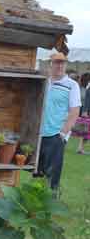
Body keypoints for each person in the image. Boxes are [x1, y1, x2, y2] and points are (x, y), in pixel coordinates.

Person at [37, 52, 81, 193]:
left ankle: (50, 203)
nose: (60, 65)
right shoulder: (44, 81)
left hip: (55, 134)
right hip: (38, 133)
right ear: (51, 64)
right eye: (57, 62)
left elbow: (75, 111)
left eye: (62, 63)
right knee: (36, 172)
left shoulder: (71, 85)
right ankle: (34, 203)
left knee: (52, 174)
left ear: (66, 65)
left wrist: (63, 133)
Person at [75, 73, 90, 154]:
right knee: (84, 131)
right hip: (86, 112)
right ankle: (80, 148)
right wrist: (85, 111)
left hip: (85, 111)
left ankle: (80, 148)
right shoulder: (88, 88)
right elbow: (87, 100)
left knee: (85, 132)